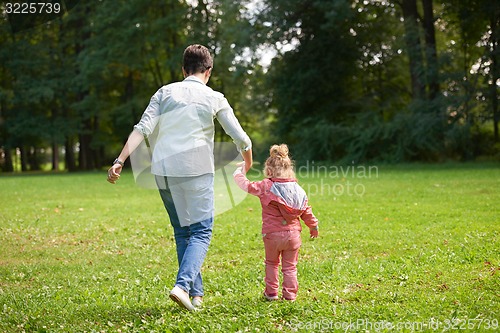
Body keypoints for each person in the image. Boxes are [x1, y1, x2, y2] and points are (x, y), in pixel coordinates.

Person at [107, 44, 253, 311]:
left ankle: (196, 297)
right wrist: (248, 161)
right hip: (196, 169)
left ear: (183, 69)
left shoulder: (164, 92)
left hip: (163, 170)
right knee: (201, 231)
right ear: (208, 71)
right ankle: (183, 285)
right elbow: (240, 137)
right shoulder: (214, 97)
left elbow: (142, 128)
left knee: (183, 232)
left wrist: (120, 160)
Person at [233, 144, 318, 301]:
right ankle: (290, 295)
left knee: (272, 263)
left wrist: (239, 172)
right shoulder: (298, 189)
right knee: (290, 267)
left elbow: (246, 185)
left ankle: (271, 293)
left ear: (269, 171)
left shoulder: (266, 185)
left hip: (272, 235)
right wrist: (313, 226)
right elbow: (307, 210)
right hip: (293, 235)